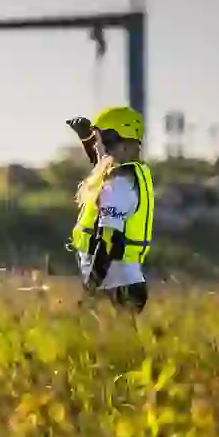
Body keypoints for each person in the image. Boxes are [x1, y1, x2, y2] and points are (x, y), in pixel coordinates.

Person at [66, 105, 153, 315]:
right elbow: (100, 167)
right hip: (121, 284)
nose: (99, 145)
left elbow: (109, 241)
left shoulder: (120, 185)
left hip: (115, 290)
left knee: (112, 346)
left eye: (101, 139)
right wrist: (87, 142)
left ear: (118, 141)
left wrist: (91, 292)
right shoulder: (127, 176)